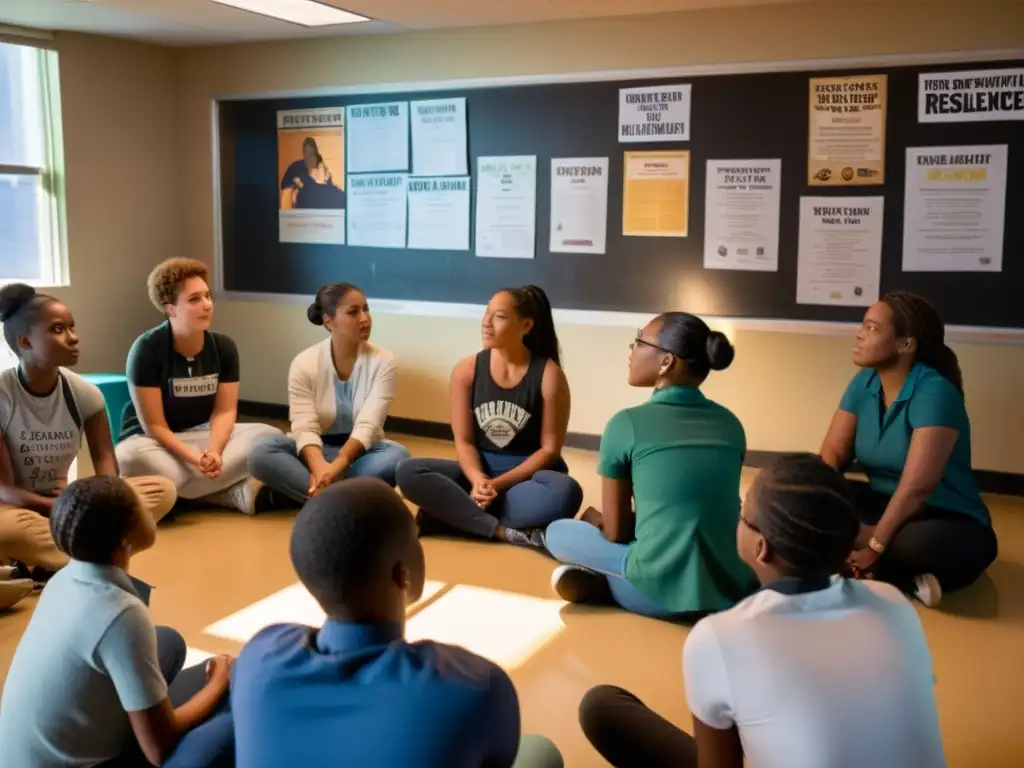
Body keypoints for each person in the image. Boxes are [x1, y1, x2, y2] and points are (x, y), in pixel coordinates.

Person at [578, 453, 947, 768]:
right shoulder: (894, 603)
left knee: (601, 708)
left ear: (761, 548)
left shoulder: (719, 638)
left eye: (743, 513)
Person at [230, 476, 563, 768]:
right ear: (402, 573)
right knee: (540, 753)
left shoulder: (258, 658)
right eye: (415, 539)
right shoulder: (473, 685)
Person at [0, 475, 234, 768]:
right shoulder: (121, 614)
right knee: (232, 709)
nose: (150, 511)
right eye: (141, 509)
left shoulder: (64, 578)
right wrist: (219, 682)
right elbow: (159, 749)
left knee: (168, 641)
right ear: (124, 542)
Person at [545, 314, 755, 620]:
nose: (631, 350)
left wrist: (596, 518)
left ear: (666, 361)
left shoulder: (625, 423)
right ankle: (604, 583)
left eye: (639, 341)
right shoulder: (731, 424)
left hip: (653, 592)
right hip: (728, 588)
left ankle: (606, 587)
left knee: (558, 532)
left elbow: (616, 532)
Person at [820, 291, 998, 607]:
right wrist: (816, 499)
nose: (859, 334)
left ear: (905, 344)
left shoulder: (935, 391)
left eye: (873, 328)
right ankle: (904, 578)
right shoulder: (863, 382)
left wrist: (874, 545)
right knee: (802, 484)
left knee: (916, 545)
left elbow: (916, 489)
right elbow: (832, 455)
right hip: (882, 503)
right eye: (863, 324)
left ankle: (867, 560)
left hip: (945, 519)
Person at [0, 284, 176, 575]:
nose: (74, 338)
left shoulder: (85, 393)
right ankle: (99, 551)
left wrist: (83, 496)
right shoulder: (4, 395)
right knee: (11, 531)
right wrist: (56, 506)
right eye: (58, 330)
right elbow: (4, 489)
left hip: (67, 505)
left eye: (72, 327)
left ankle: (53, 560)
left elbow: (108, 471)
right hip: (17, 510)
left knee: (162, 490)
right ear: (26, 342)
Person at [396, 286, 582, 551]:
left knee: (566, 493)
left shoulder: (548, 375)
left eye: (500, 316)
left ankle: (453, 517)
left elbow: (550, 449)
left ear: (526, 325)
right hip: (479, 472)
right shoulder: (466, 371)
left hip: (527, 479)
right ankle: (499, 530)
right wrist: (478, 480)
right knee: (408, 471)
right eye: (486, 313)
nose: (486, 322)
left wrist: (496, 485)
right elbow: (464, 441)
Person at [116, 258, 281, 515]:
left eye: (207, 296)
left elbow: (224, 412)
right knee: (128, 458)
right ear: (170, 309)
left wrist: (213, 453)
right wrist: (195, 459)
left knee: (270, 437)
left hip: (201, 436)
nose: (207, 305)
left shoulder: (224, 347)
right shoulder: (147, 349)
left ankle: (177, 494)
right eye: (194, 299)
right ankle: (226, 493)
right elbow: (155, 426)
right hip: (152, 441)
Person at [248, 283, 410, 502]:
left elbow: (369, 426)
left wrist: (336, 467)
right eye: (353, 312)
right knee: (261, 451)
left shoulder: (384, 362)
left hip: (359, 454)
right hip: (314, 451)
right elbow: (304, 426)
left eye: (366, 309)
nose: (365, 318)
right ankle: (346, 498)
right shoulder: (304, 363)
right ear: (328, 320)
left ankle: (315, 495)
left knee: (398, 457)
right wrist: (320, 466)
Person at [279, 137, 345, 211]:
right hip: (309, 195)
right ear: (303, 153)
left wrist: (325, 179)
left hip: (320, 193)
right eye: (307, 153)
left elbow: (328, 182)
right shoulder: (297, 167)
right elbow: (286, 187)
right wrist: (297, 186)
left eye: (312, 153)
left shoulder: (320, 165)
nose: (310, 157)